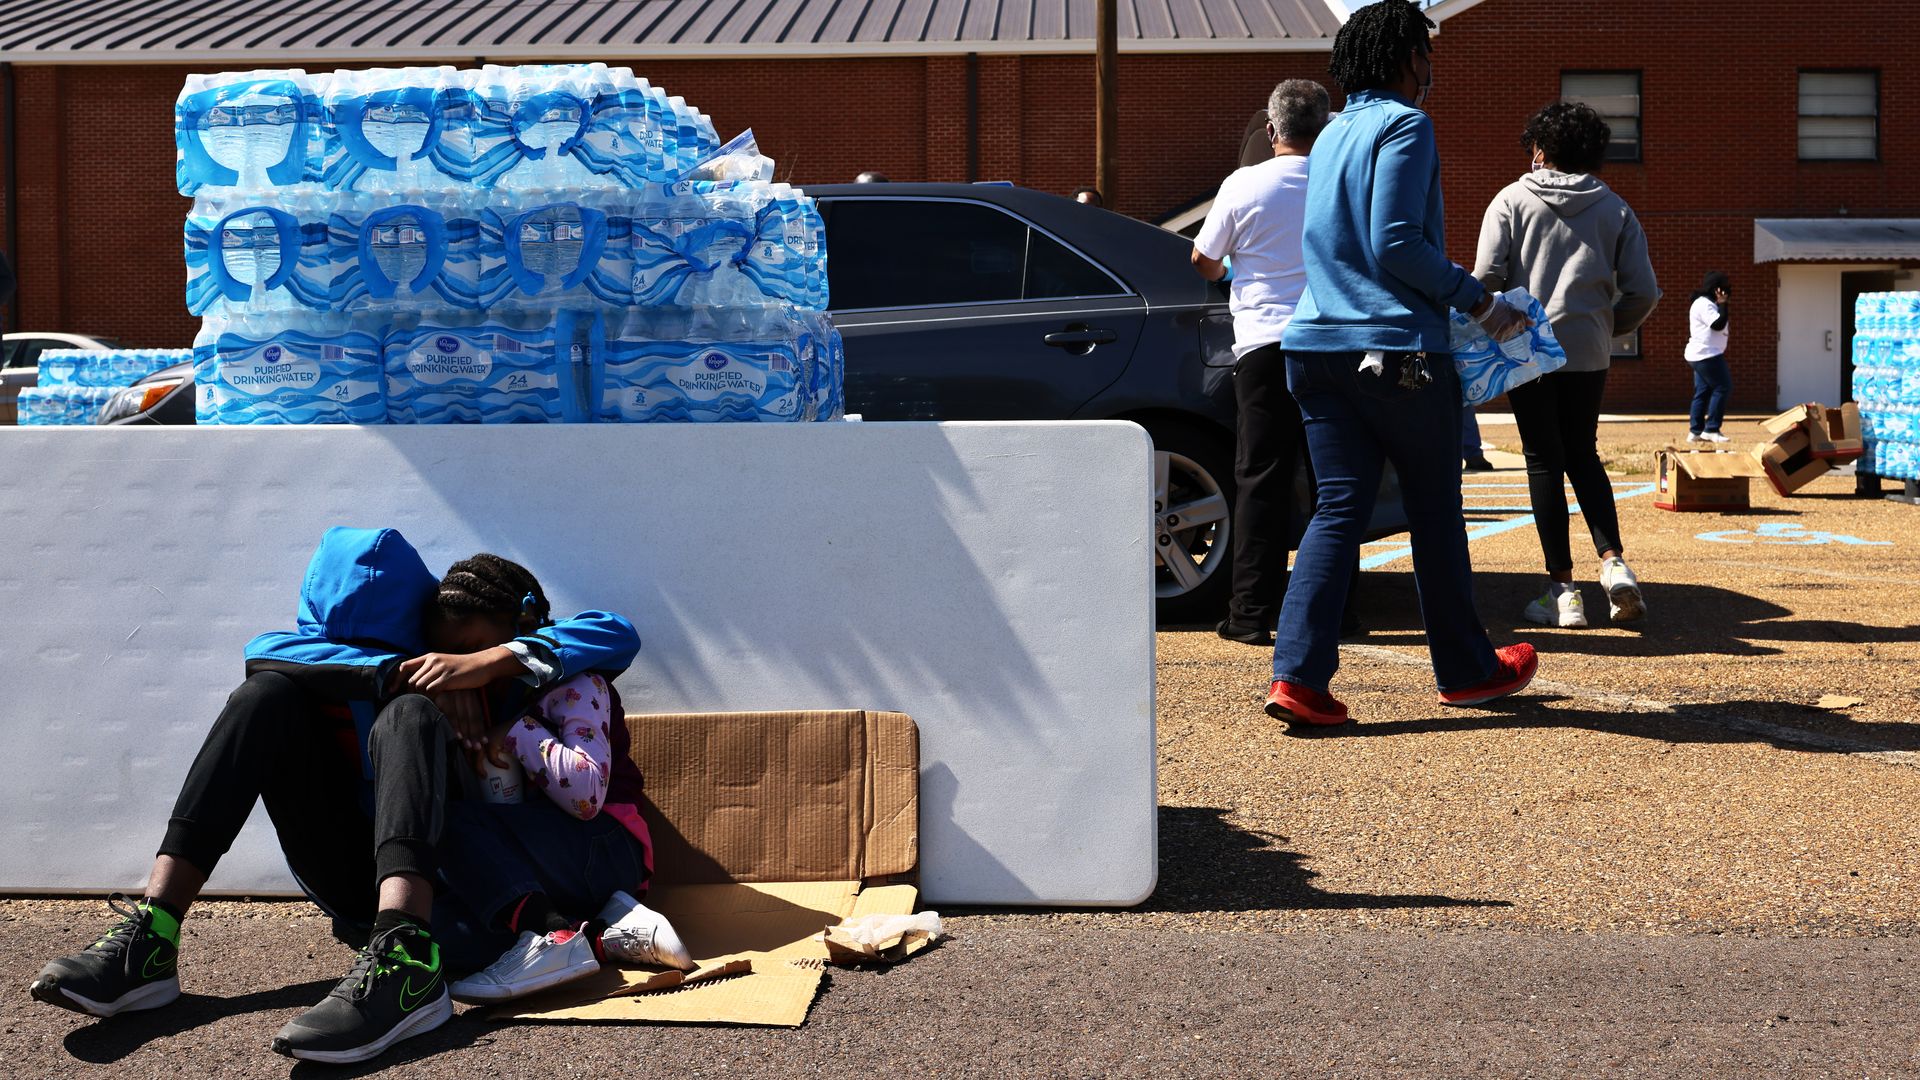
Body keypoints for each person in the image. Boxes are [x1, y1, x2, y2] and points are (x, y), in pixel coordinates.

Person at [26, 528, 669, 1064]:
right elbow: (262, 653)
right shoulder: (312, 661)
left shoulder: (475, 672)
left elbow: (614, 632)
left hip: (439, 881)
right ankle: (154, 932)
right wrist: (386, 672)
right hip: (348, 864)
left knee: (411, 716)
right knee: (262, 698)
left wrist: (486, 664)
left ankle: (407, 957)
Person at [1265, 0, 1539, 728]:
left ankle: (1298, 676)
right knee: (1434, 510)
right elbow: (1395, 245)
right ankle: (1467, 670)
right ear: (1404, 58)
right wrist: (1480, 302)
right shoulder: (1405, 124)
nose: (1430, 69)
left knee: (1338, 508)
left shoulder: (1328, 137)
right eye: (1426, 53)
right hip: (1395, 351)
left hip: (1313, 346)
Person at [1473, 101, 1660, 629]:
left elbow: (1486, 276)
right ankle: (1614, 562)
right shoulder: (1616, 208)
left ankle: (1563, 591)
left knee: (1541, 461)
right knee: (1584, 453)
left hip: (1527, 348)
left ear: (1538, 149)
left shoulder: (1510, 201)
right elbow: (1643, 290)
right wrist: (1610, 326)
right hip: (1589, 349)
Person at [1191, 79, 1333, 647]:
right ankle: (1335, 608)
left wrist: (1229, 275)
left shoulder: (1244, 183)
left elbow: (1203, 258)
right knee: (1333, 481)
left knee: (1262, 479)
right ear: (1323, 129)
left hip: (1264, 345)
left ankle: (1251, 614)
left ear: (1271, 130)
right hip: (1333, 342)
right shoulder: (1340, 181)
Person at [1686, 271, 1733, 443]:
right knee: (1723, 387)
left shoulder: (1705, 303)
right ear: (1716, 289)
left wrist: (1721, 304)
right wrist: (1723, 304)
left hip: (1703, 354)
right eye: (1724, 287)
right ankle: (1711, 429)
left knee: (1703, 392)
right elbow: (1718, 325)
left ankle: (1695, 431)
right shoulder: (1704, 304)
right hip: (1707, 354)